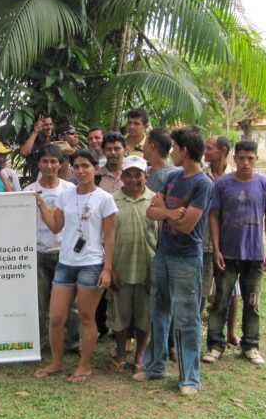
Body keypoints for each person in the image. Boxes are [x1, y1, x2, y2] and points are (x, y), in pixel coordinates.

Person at [135, 126, 213, 397]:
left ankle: (189, 378)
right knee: (158, 311)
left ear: (184, 151)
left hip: (186, 260)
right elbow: (151, 212)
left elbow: (188, 225)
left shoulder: (203, 184)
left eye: (175, 149)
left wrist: (166, 213)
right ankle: (155, 366)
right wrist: (170, 212)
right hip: (164, 255)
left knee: (187, 319)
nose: (172, 153)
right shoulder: (174, 178)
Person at [34, 150, 118, 383]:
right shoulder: (66, 196)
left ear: (95, 169)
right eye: (77, 167)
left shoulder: (104, 199)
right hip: (66, 263)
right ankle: (56, 363)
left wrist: (107, 269)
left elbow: (110, 237)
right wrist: (41, 204)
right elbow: (55, 226)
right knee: (56, 318)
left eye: (85, 167)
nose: (80, 171)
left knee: (86, 317)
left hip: (91, 264)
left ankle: (84, 366)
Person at [203, 140, 266, 366]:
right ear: (234, 158)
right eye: (241, 157)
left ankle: (250, 345)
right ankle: (215, 345)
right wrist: (216, 248)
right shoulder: (223, 185)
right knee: (220, 301)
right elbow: (213, 216)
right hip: (228, 253)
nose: (245, 162)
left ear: (256, 159)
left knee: (252, 303)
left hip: (254, 255)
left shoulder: (264, 185)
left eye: (250, 158)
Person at [23, 144, 79, 352]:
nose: (49, 166)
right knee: (38, 302)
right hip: (38, 253)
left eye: (54, 161)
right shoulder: (28, 191)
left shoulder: (70, 190)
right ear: (38, 164)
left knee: (72, 303)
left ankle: (74, 341)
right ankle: (38, 342)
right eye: (44, 161)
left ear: (61, 163)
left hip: (65, 254)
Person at [108, 156, 158, 373]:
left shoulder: (155, 201)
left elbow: (162, 240)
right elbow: (105, 238)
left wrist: (155, 272)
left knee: (144, 317)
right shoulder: (111, 200)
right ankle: (120, 353)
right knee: (119, 316)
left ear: (145, 176)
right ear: (122, 176)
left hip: (147, 270)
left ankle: (139, 355)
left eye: (138, 174)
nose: (133, 179)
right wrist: (109, 268)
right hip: (121, 269)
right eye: (129, 174)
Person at [202, 135, 239, 346]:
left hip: (229, 242)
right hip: (204, 241)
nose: (205, 152)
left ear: (223, 150)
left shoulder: (235, 176)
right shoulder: (201, 174)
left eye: (210, 148)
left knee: (232, 291)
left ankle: (231, 332)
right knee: (203, 289)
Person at [144, 127, 180, 193]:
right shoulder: (145, 172)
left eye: (145, 143)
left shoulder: (171, 175)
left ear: (151, 146)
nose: (143, 147)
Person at [20, 112, 55, 179]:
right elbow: (24, 153)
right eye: (46, 125)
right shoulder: (32, 141)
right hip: (37, 181)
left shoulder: (54, 141)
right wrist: (35, 131)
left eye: (51, 124)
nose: (49, 127)